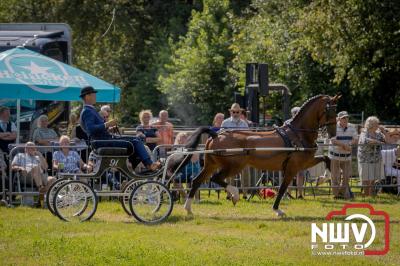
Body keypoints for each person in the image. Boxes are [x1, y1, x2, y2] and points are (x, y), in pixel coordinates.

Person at [79, 86, 160, 171]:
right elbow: (90, 129)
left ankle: (136, 166)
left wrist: (109, 129)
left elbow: (96, 130)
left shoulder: (90, 110)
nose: (95, 96)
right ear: (87, 96)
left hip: (103, 139)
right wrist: (107, 124)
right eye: (93, 94)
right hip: (102, 141)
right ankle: (148, 164)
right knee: (135, 141)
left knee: (136, 140)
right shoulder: (87, 111)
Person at [328, 111, 358, 199]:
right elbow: (333, 140)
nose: (345, 119)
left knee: (347, 176)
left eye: (346, 117)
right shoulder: (333, 127)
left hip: (346, 156)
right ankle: (336, 195)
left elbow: (355, 139)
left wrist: (349, 144)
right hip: (335, 156)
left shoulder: (352, 127)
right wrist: (345, 146)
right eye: (343, 118)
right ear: (339, 119)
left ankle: (342, 193)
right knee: (335, 176)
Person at [357, 116, 388, 197]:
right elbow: (366, 141)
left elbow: (386, 141)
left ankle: (371, 195)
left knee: (373, 178)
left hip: (376, 158)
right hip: (365, 159)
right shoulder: (364, 132)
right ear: (371, 124)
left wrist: (384, 131)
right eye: (376, 123)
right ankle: (366, 195)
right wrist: (378, 142)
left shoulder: (378, 133)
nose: (378, 125)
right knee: (366, 178)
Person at [172, 132, 201, 201]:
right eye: (180, 139)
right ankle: (185, 197)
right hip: (181, 171)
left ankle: (197, 199)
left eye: (185, 138)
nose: (182, 140)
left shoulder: (193, 147)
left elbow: (195, 159)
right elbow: (173, 161)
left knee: (195, 179)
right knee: (175, 181)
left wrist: (188, 151)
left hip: (193, 171)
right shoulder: (175, 149)